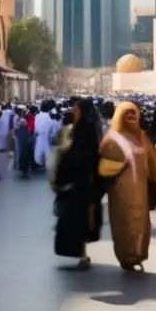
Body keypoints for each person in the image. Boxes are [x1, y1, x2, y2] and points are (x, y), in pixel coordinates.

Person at [97, 100, 156, 271]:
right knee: (123, 223)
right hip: (120, 192)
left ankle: (138, 254)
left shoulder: (142, 137)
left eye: (134, 112)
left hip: (141, 190)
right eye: (127, 113)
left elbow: (153, 161)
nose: (132, 116)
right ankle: (126, 257)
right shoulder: (112, 139)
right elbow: (104, 164)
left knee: (141, 223)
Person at [53, 97, 103, 269]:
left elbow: (81, 157)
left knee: (79, 222)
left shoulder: (85, 132)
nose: (73, 113)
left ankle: (82, 254)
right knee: (78, 222)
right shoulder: (83, 129)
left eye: (76, 110)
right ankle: (81, 253)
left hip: (81, 185)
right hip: (79, 184)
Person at [33, 104, 54, 169]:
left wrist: (35, 132)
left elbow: (35, 125)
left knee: (38, 149)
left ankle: (38, 162)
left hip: (38, 134)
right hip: (46, 135)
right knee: (47, 149)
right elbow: (51, 126)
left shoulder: (37, 116)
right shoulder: (49, 117)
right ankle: (49, 163)